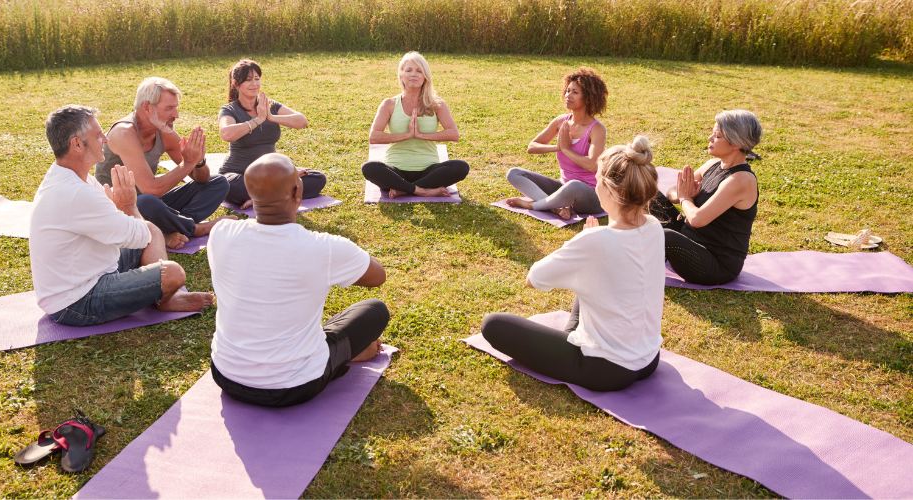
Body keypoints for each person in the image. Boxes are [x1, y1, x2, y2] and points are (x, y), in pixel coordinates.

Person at [481, 136, 664, 392]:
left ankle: (571, 343)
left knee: (493, 325)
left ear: (608, 189)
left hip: (607, 369)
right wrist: (589, 248)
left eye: (598, 179)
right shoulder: (654, 227)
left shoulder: (594, 240)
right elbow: (622, 257)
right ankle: (572, 339)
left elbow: (534, 279)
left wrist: (584, 241)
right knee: (592, 276)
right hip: (648, 359)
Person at [207, 153, 390, 407]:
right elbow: (377, 276)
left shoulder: (221, 233)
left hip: (226, 375)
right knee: (374, 310)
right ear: (297, 192)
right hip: (295, 385)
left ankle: (333, 349)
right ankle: (347, 353)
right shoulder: (323, 247)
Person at [31, 105, 213, 326]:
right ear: (77, 144)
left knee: (153, 229)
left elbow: (131, 228)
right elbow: (138, 235)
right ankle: (164, 297)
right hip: (76, 302)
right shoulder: (74, 192)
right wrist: (129, 206)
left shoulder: (71, 176)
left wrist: (123, 210)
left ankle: (164, 296)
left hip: (94, 270)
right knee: (172, 273)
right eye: (98, 135)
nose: (105, 140)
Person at [95, 77, 231, 250]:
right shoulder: (124, 133)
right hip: (118, 210)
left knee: (218, 183)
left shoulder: (162, 130)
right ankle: (194, 228)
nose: (176, 115)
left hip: (152, 205)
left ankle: (171, 227)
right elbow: (151, 189)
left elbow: (202, 179)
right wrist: (188, 163)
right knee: (147, 202)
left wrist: (199, 161)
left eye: (175, 108)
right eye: (169, 108)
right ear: (147, 107)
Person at [648, 110, 761, 285]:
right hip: (690, 239)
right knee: (648, 195)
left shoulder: (740, 180)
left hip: (715, 263)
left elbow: (697, 219)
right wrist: (683, 195)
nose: (710, 138)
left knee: (665, 236)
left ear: (736, 143)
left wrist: (686, 198)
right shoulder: (713, 164)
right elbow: (673, 191)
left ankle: (632, 270)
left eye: (717, 136)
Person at [218, 58, 326, 210]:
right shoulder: (229, 110)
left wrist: (271, 117)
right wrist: (257, 120)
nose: (254, 84)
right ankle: (278, 195)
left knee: (317, 178)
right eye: (248, 80)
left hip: (270, 174)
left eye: (257, 79)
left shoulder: (270, 106)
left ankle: (261, 198)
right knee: (225, 185)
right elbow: (226, 134)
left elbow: (302, 121)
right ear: (236, 84)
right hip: (239, 174)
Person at [361, 51, 469, 198]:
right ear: (401, 75)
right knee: (370, 168)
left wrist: (421, 135)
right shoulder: (389, 104)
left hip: (429, 169)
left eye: (419, 71)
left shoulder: (436, 104)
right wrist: (407, 135)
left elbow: (453, 134)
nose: (414, 74)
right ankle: (422, 190)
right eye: (409, 70)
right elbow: (374, 137)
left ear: (425, 77)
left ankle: (404, 189)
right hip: (396, 169)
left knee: (460, 167)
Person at [506, 67, 608, 219]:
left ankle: (533, 205)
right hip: (563, 188)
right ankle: (557, 207)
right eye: (568, 91)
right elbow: (532, 147)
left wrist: (566, 150)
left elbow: (592, 165)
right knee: (514, 173)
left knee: (573, 185)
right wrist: (557, 147)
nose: (568, 95)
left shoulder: (597, 129)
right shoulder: (561, 121)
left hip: (590, 194)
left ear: (588, 97)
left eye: (575, 92)